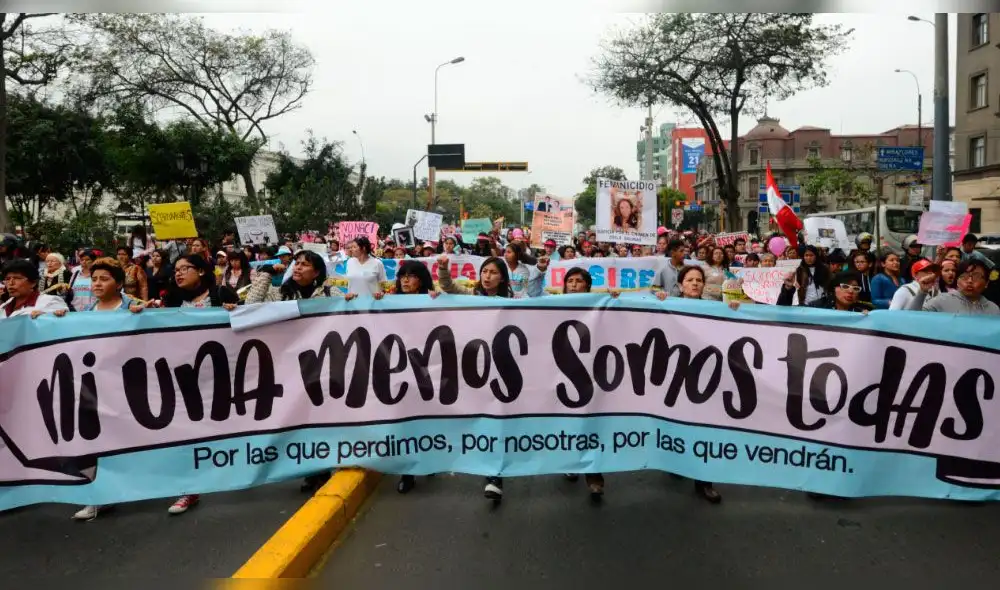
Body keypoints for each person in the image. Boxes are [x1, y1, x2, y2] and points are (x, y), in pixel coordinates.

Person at [435, 254, 514, 501]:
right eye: (484, 271)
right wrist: (443, 269)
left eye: (493, 272)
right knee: (481, 418)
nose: (487, 276)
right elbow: (449, 287)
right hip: (474, 367)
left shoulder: (515, 302)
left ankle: (494, 475)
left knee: (497, 419)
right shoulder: (471, 295)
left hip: (503, 369)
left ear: (503, 278)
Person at [905, 258, 999, 315]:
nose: (969, 281)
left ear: (986, 283)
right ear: (957, 280)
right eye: (964, 276)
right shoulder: (941, 300)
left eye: (976, 276)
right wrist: (922, 292)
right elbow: (911, 318)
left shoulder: (993, 309)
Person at [1, 259, 69, 319]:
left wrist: (46, 317)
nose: (11, 283)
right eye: (7, 279)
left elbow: (62, 322)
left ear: (33, 283)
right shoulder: (4, 306)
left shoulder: (49, 302)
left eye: (17, 278)